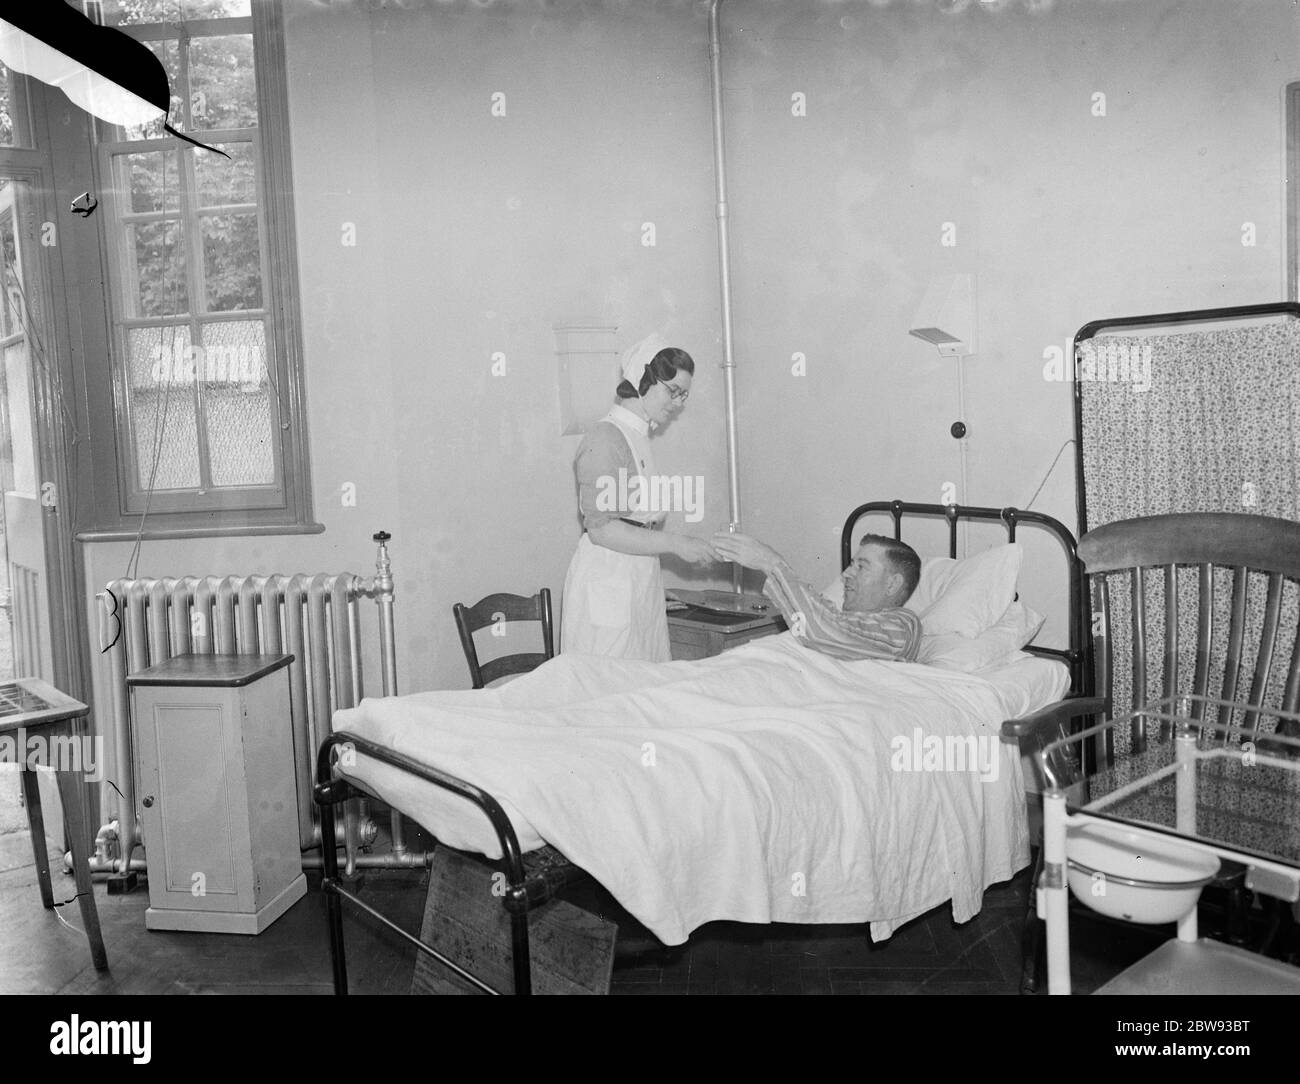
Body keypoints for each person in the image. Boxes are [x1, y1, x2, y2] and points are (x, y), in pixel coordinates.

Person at [560, 334, 718, 660]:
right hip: (608, 579)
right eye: (673, 391)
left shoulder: (636, 435)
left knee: (644, 682)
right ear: (643, 380)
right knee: (609, 687)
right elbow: (602, 529)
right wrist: (676, 544)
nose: (678, 404)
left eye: (683, 395)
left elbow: (638, 522)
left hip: (636, 575)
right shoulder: (605, 439)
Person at [711, 532, 923, 662]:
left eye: (861, 567)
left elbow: (822, 632)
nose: (846, 574)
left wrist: (770, 563)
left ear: (892, 583)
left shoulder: (902, 626)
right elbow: (826, 621)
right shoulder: (838, 617)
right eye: (851, 565)